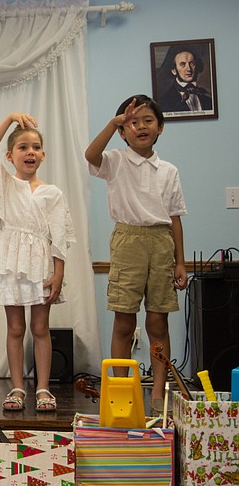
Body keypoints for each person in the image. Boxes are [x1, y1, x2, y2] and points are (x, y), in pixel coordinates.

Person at [85, 95, 187, 413]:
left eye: (147, 120)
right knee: (123, 322)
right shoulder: (114, 160)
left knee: (158, 322)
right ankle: (120, 392)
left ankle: (158, 391)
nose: (140, 126)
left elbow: (174, 218)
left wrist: (180, 262)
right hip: (127, 241)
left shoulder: (168, 170)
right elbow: (90, 154)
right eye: (132, 121)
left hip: (161, 244)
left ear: (160, 128)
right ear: (122, 131)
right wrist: (112, 122)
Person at [0, 114, 75, 412]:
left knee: (41, 327)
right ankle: (17, 387)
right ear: (10, 155)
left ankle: (43, 388)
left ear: (42, 155)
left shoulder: (52, 193)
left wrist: (59, 273)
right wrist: (8, 119)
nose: (30, 152)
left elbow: (60, 235)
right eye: (22, 147)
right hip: (11, 259)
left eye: (35, 147)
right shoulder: (5, 184)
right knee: (15, 328)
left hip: (41, 261)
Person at [158, 47, 213, 113]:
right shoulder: (165, 102)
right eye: (183, 64)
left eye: (192, 64)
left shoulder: (208, 99)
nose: (189, 69)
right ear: (174, 70)